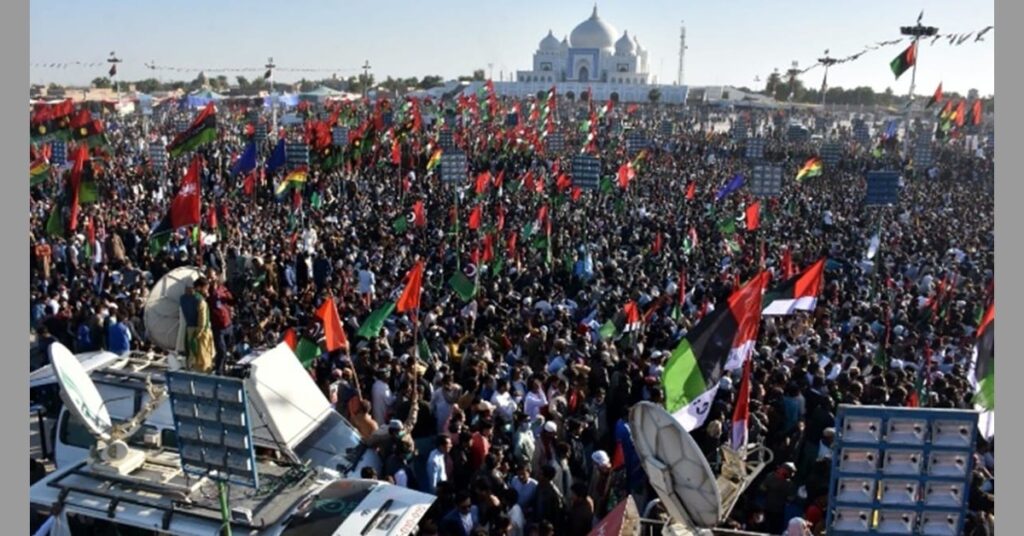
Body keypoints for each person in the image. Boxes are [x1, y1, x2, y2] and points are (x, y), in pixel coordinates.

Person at [180, 279, 214, 373]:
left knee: (191, 356)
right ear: (198, 287)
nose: (207, 291)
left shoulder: (182, 299)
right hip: (201, 333)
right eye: (206, 288)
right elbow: (202, 322)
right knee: (203, 358)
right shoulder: (200, 301)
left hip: (189, 331)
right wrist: (198, 335)